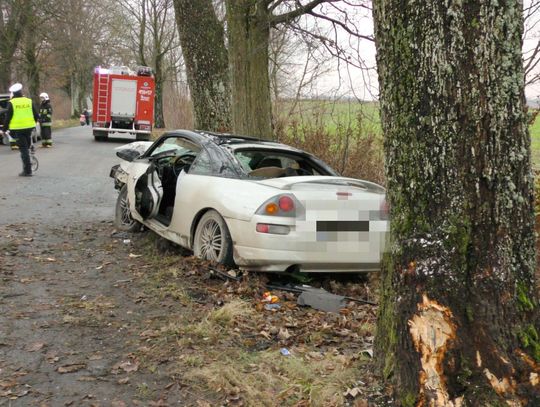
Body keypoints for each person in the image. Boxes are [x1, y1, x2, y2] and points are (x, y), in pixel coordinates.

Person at [3, 83, 39, 176]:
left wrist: (4, 129)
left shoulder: (12, 103)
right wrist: (33, 123)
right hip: (29, 128)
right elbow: (36, 115)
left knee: (23, 150)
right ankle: (28, 166)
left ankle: (27, 171)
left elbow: (8, 118)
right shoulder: (28, 101)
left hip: (18, 129)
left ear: (13, 93)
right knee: (26, 148)